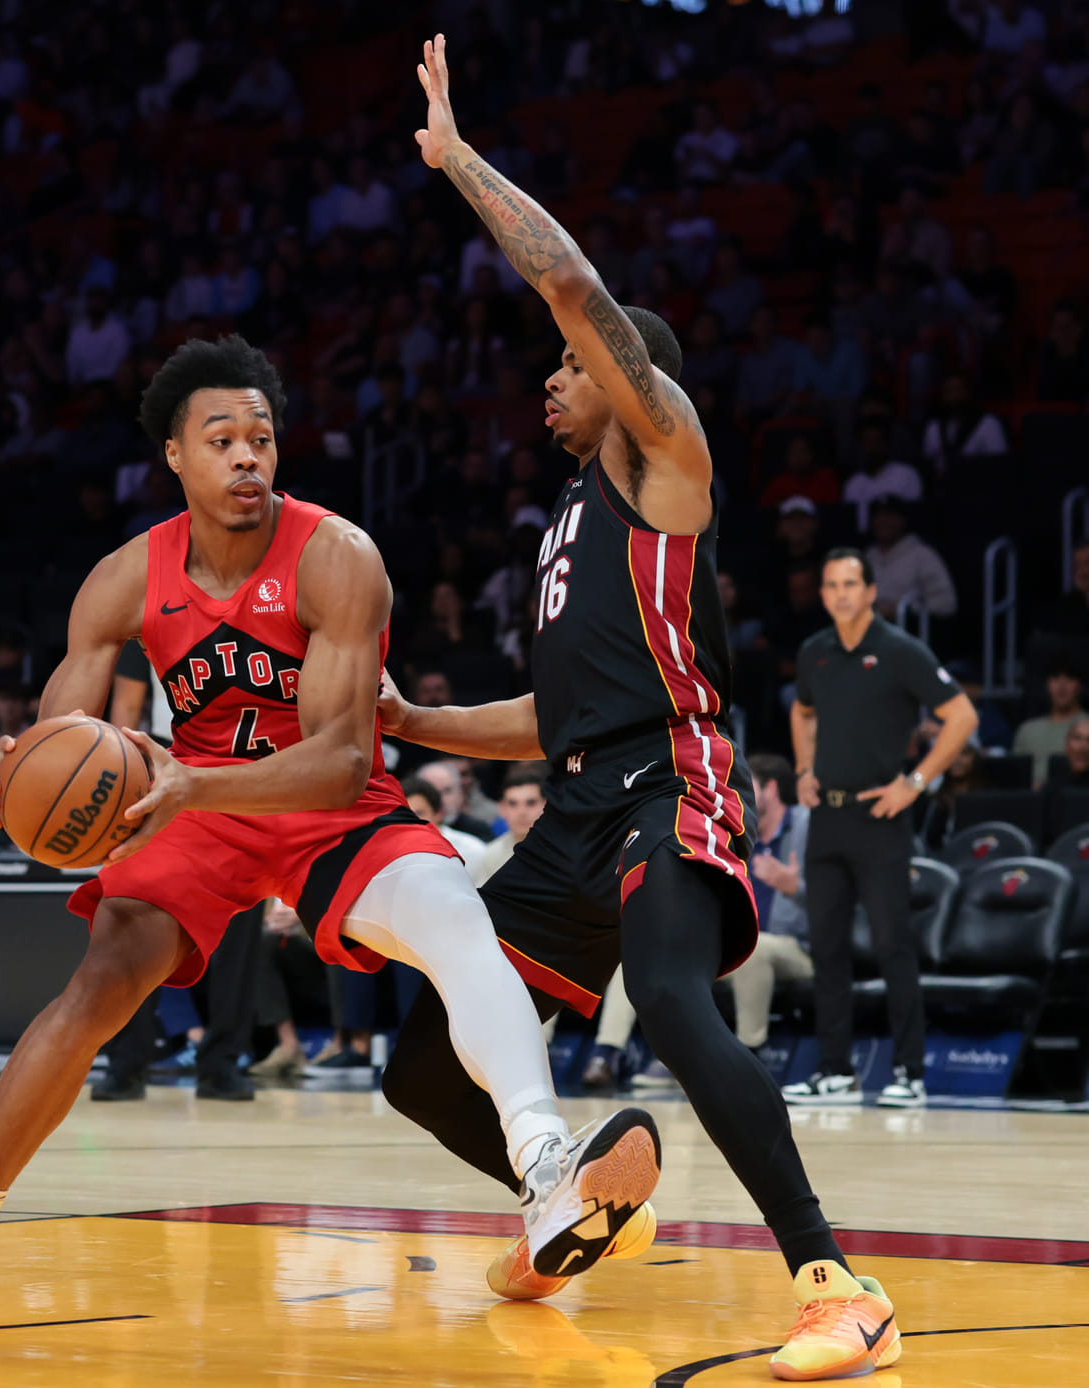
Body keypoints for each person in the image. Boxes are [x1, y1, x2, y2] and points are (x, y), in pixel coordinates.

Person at [0, 331, 659, 1346]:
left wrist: (189, 781)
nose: (248, 455)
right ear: (176, 456)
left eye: (261, 436)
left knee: (451, 916)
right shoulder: (124, 578)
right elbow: (56, 748)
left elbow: (342, 761)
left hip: (315, 803)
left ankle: (548, 1166)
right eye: (222, 439)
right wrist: (12, 774)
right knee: (95, 988)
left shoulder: (337, 556)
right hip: (195, 805)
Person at [379, 42, 900, 1380]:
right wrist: (402, 718)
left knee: (669, 1002)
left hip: (671, 782)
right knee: (425, 1066)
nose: (546, 379)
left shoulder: (666, 458)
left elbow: (567, 281)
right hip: (579, 800)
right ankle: (589, 1209)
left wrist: (455, 159)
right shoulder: (564, 531)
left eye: (565, 366)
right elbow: (547, 720)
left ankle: (838, 1285)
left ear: (618, 376)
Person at [786, 548, 976, 1112]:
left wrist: (915, 783)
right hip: (827, 819)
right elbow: (802, 712)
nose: (841, 593)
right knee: (828, 949)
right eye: (831, 584)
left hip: (882, 818)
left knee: (894, 946)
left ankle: (909, 1072)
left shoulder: (899, 650)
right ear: (822, 594)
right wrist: (802, 769)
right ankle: (835, 1071)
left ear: (871, 591)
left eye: (851, 583)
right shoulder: (814, 652)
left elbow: (962, 715)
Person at [728, 754, 813, 1054]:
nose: (737, 793)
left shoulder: (807, 827)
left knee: (756, 948)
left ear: (771, 789)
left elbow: (838, 902)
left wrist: (794, 888)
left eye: (746, 785)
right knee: (671, 950)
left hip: (799, 949)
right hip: (740, 944)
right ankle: (609, 1054)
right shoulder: (739, 833)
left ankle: (747, 1059)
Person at [1013, 654, 1085, 788]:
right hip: (1031, 803)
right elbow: (1016, 780)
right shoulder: (1027, 730)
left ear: (1080, 685)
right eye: (1055, 678)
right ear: (1047, 684)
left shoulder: (1086, 727)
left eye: (1069, 678)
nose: (1062, 686)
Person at [470, 765, 545, 886]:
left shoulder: (568, 849)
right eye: (513, 803)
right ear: (501, 809)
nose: (522, 812)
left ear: (547, 805)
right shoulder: (491, 854)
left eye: (531, 803)